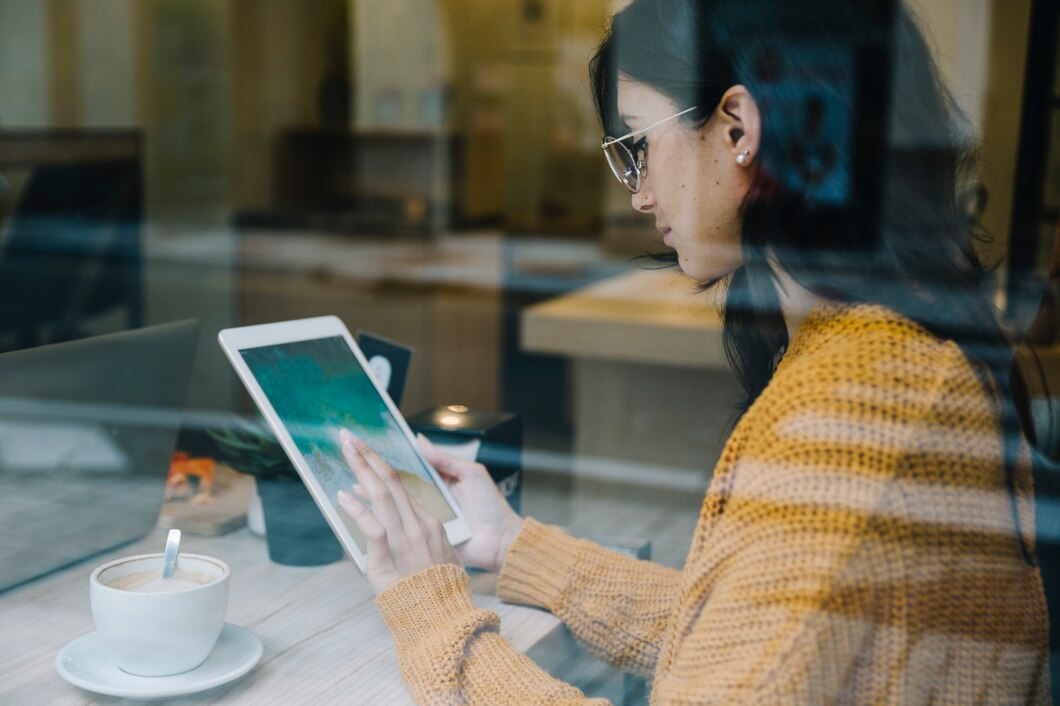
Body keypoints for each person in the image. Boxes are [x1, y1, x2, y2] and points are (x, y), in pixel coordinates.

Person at [335, 0, 1051, 702]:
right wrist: (515, 545)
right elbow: (748, 639)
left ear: (738, 127)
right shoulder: (892, 361)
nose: (641, 195)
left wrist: (433, 617)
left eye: (640, 145)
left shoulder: (846, 423)